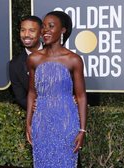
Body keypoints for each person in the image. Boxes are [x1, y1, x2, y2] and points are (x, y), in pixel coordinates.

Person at [26, 11, 87, 167]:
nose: (45, 30)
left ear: (63, 30)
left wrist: (82, 130)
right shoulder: (34, 59)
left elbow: (81, 96)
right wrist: (28, 123)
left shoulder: (73, 60)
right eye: (43, 26)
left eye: (51, 26)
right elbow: (32, 93)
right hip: (41, 123)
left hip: (67, 122)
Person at [9, 15, 43, 110]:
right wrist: (37, 107)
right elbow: (21, 97)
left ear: (41, 33)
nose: (26, 34)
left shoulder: (56, 55)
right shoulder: (15, 65)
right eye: (23, 30)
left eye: (32, 31)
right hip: (37, 117)